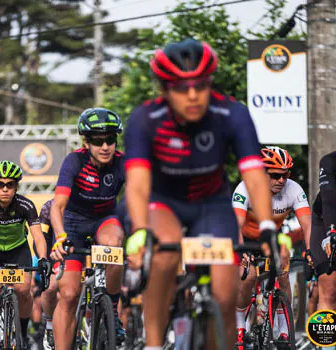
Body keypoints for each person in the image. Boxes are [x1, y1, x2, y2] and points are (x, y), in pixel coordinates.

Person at [123, 38, 276, 349]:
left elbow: (255, 176)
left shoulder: (232, 113)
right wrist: (140, 232)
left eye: (201, 85)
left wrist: (269, 228)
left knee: (223, 296)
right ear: (164, 89)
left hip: (212, 204)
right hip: (163, 201)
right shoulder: (144, 119)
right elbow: (137, 183)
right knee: (165, 255)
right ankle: (153, 343)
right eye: (180, 88)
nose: (192, 96)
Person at [49, 108, 126, 350]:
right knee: (69, 295)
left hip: (105, 218)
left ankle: (111, 308)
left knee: (114, 244)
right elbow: (57, 206)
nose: (105, 146)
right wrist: (60, 237)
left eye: (110, 140)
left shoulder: (123, 163)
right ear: (86, 142)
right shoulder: (74, 161)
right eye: (97, 141)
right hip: (73, 223)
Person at [232, 146, 311, 346]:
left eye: (286, 175)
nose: (281, 180)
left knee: (283, 266)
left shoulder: (293, 189)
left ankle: (283, 330)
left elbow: (307, 225)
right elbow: (236, 225)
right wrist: (242, 253)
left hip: (269, 239)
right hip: (245, 239)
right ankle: (240, 325)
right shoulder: (245, 188)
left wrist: (310, 252)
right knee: (248, 275)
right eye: (275, 175)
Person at [0, 160, 50, 349]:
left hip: (17, 250)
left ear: (16, 186)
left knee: (23, 289)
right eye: (0, 184)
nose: (5, 189)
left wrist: (43, 258)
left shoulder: (26, 205)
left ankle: (22, 333)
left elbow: (38, 236)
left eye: (10, 184)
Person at [310, 151, 336, 312]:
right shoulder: (329, 161)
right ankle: (326, 337)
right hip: (325, 220)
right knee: (330, 288)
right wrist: (331, 231)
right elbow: (329, 200)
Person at [37, 199, 57, 350]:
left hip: (83, 252)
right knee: (50, 289)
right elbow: (41, 237)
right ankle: (49, 327)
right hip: (53, 252)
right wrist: (45, 259)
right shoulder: (48, 207)